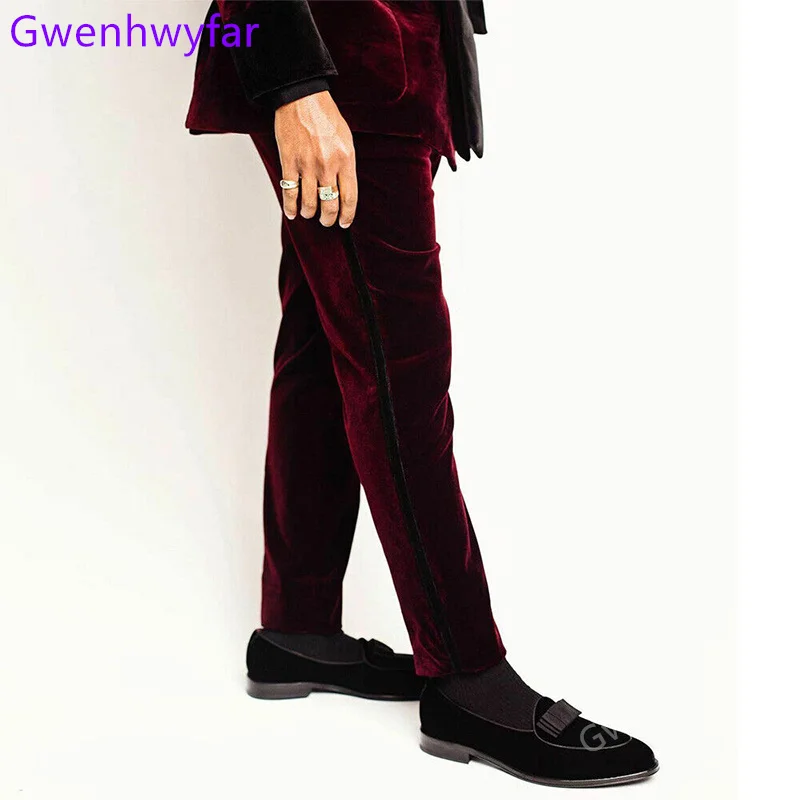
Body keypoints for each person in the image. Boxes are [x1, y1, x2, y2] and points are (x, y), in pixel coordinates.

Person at [186, 0, 658, 787]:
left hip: (390, 61)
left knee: (324, 337)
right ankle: (469, 677)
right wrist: (296, 83)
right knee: (401, 366)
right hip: (341, 61)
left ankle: (299, 627)